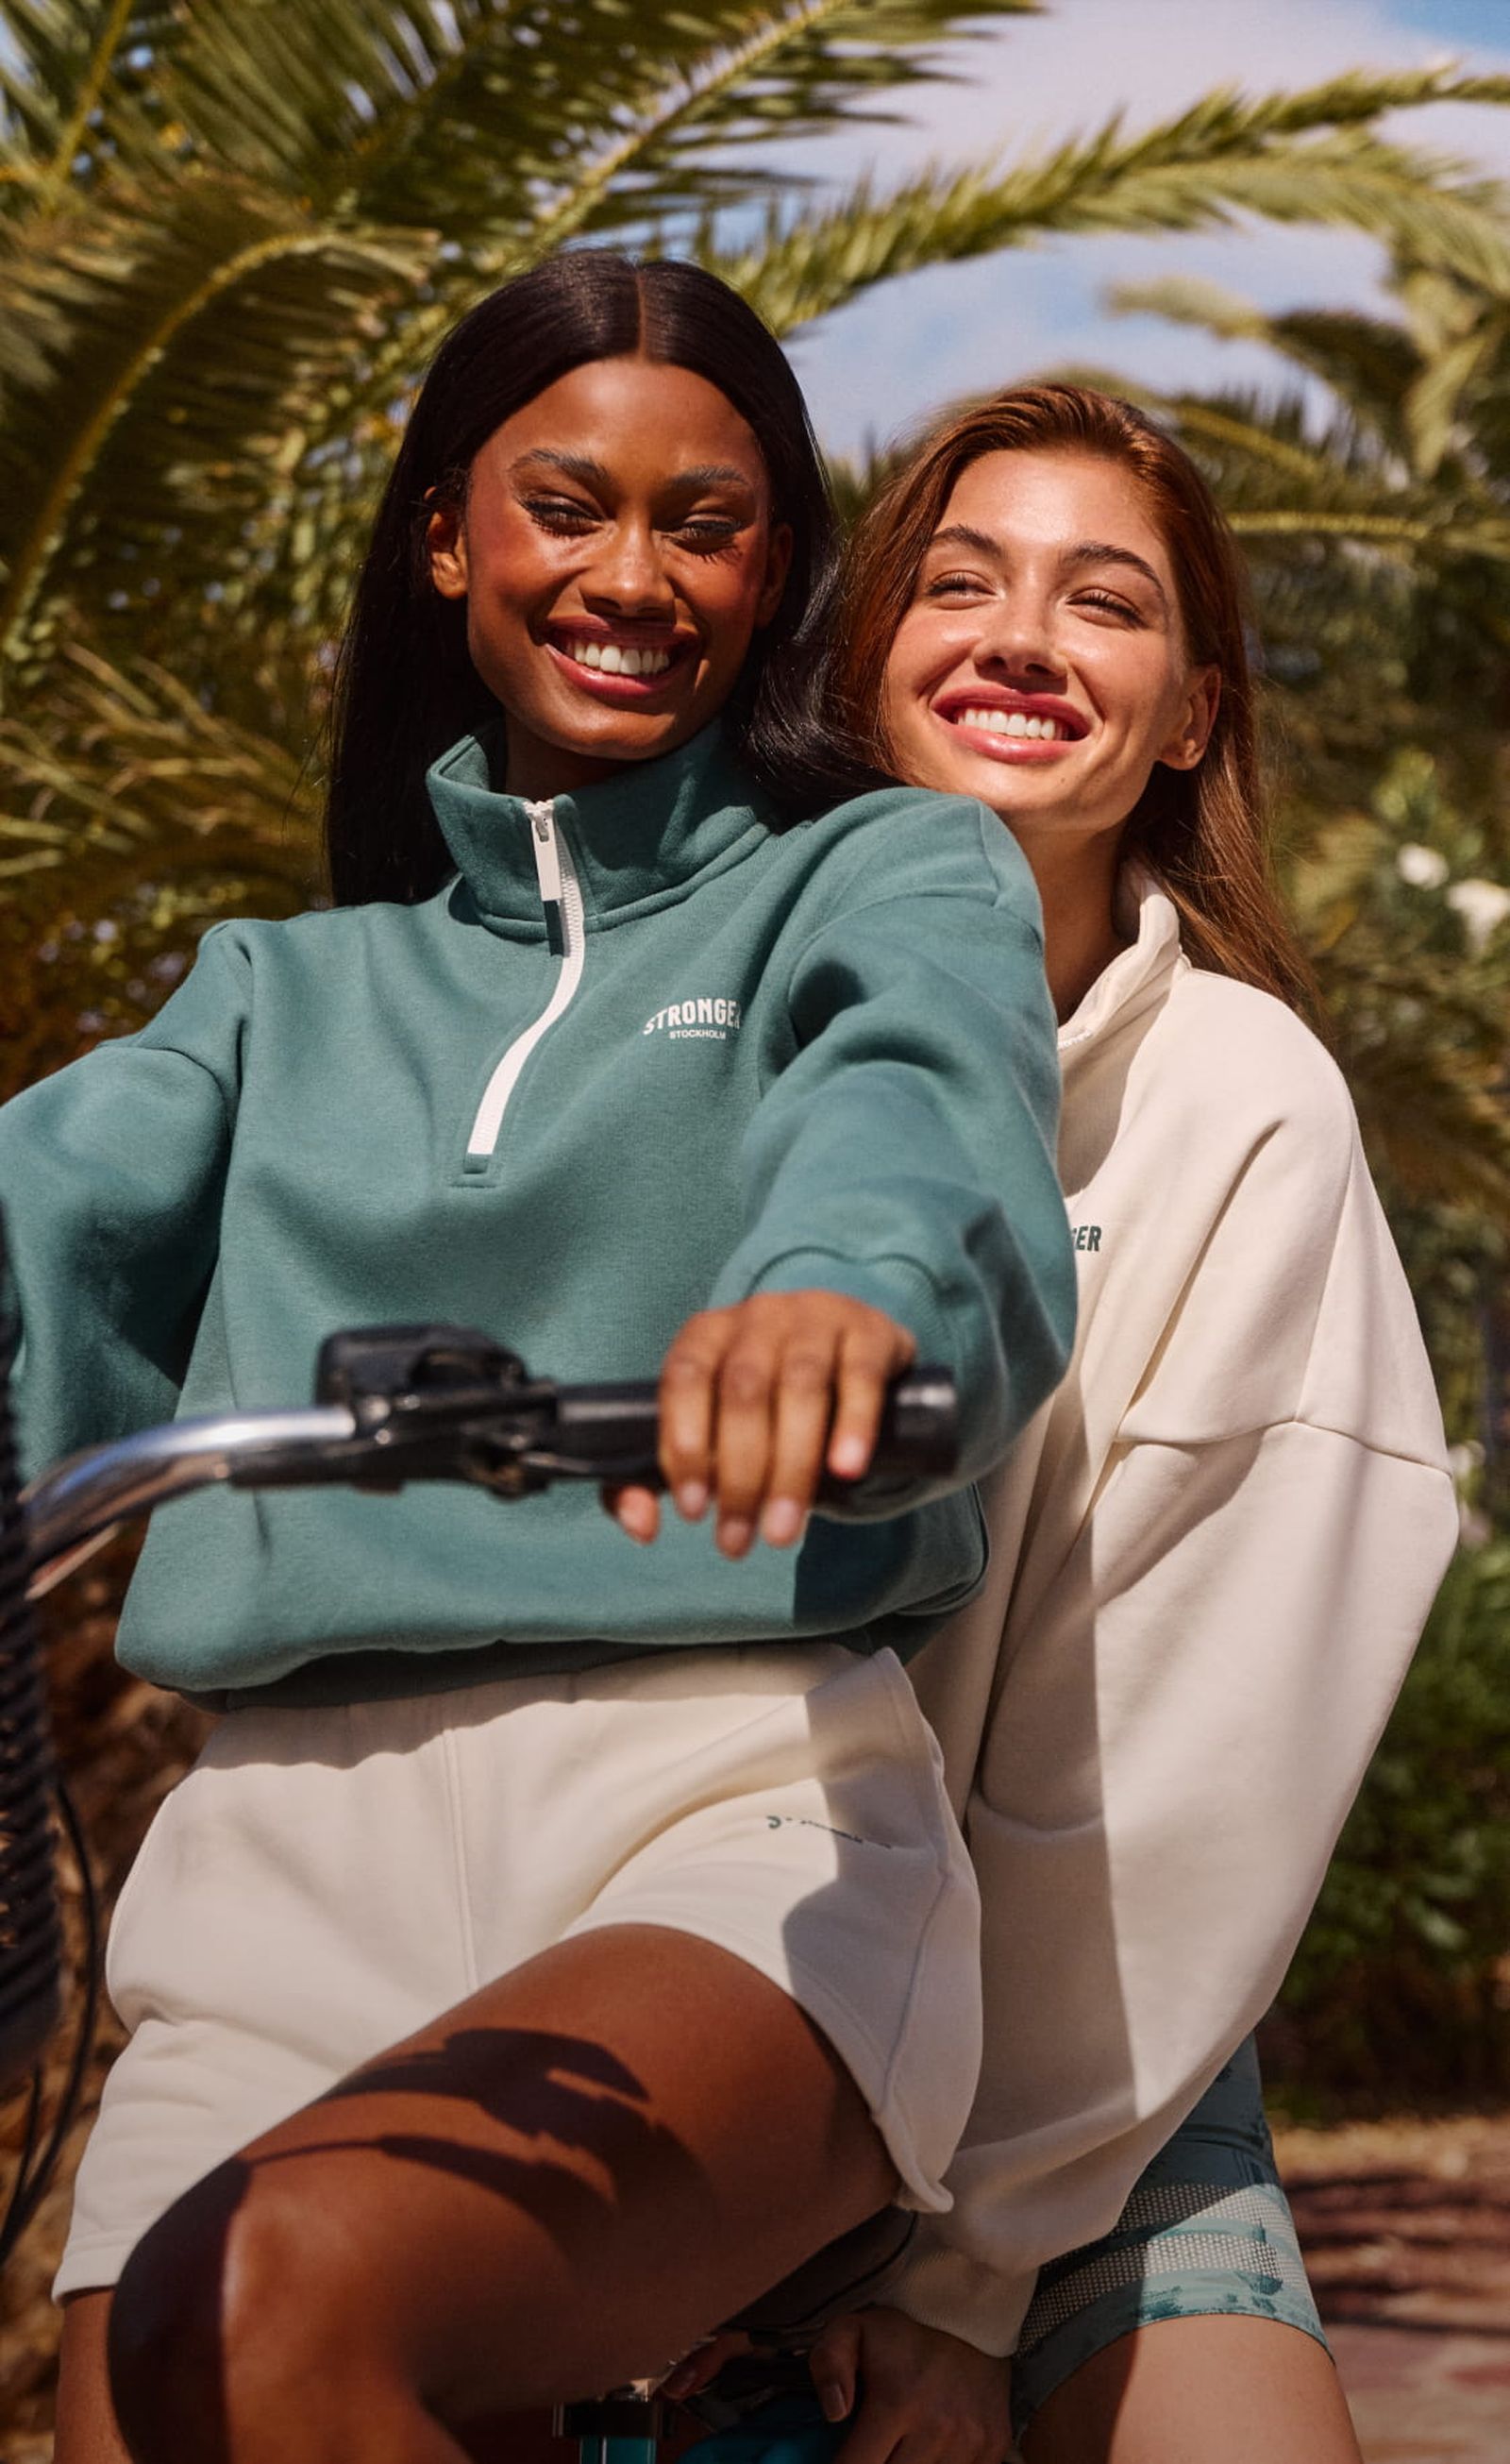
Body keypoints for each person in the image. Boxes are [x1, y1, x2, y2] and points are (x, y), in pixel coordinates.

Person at [1, 259, 1080, 2463]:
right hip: (271, 1853)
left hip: (717, 1807)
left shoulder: (878, 877)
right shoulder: (274, 994)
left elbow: (913, 1109)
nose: (631, 577)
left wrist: (836, 1297)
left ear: (773, 567)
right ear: (443, 536)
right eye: (566, 506)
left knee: (259, 2310)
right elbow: (46, 1219)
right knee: (132, 2406)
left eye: (706, 524)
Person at [754, 383, 1456, 2463]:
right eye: (957, 582)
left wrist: (967, 2274)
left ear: (1188, 715)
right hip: (716, 1981)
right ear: (865, 657)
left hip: (1086, 2084)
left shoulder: (1244, 1103)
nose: (1020, 638)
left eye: (1105, 602)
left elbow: (1183, 1774)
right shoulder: (695, 1026)